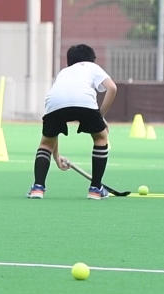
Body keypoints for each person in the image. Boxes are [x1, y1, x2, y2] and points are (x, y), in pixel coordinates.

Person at [27, 44, 117, 200]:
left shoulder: (64, 72)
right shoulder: (92, 67)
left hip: (54, 103)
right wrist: (100, 116)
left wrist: (56, 157)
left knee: (46, 143)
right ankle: (96, 189)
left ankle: (37, 188)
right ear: (92, 59)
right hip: (85, 103)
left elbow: (53, 138)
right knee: (101, 137)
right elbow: (112, 88)